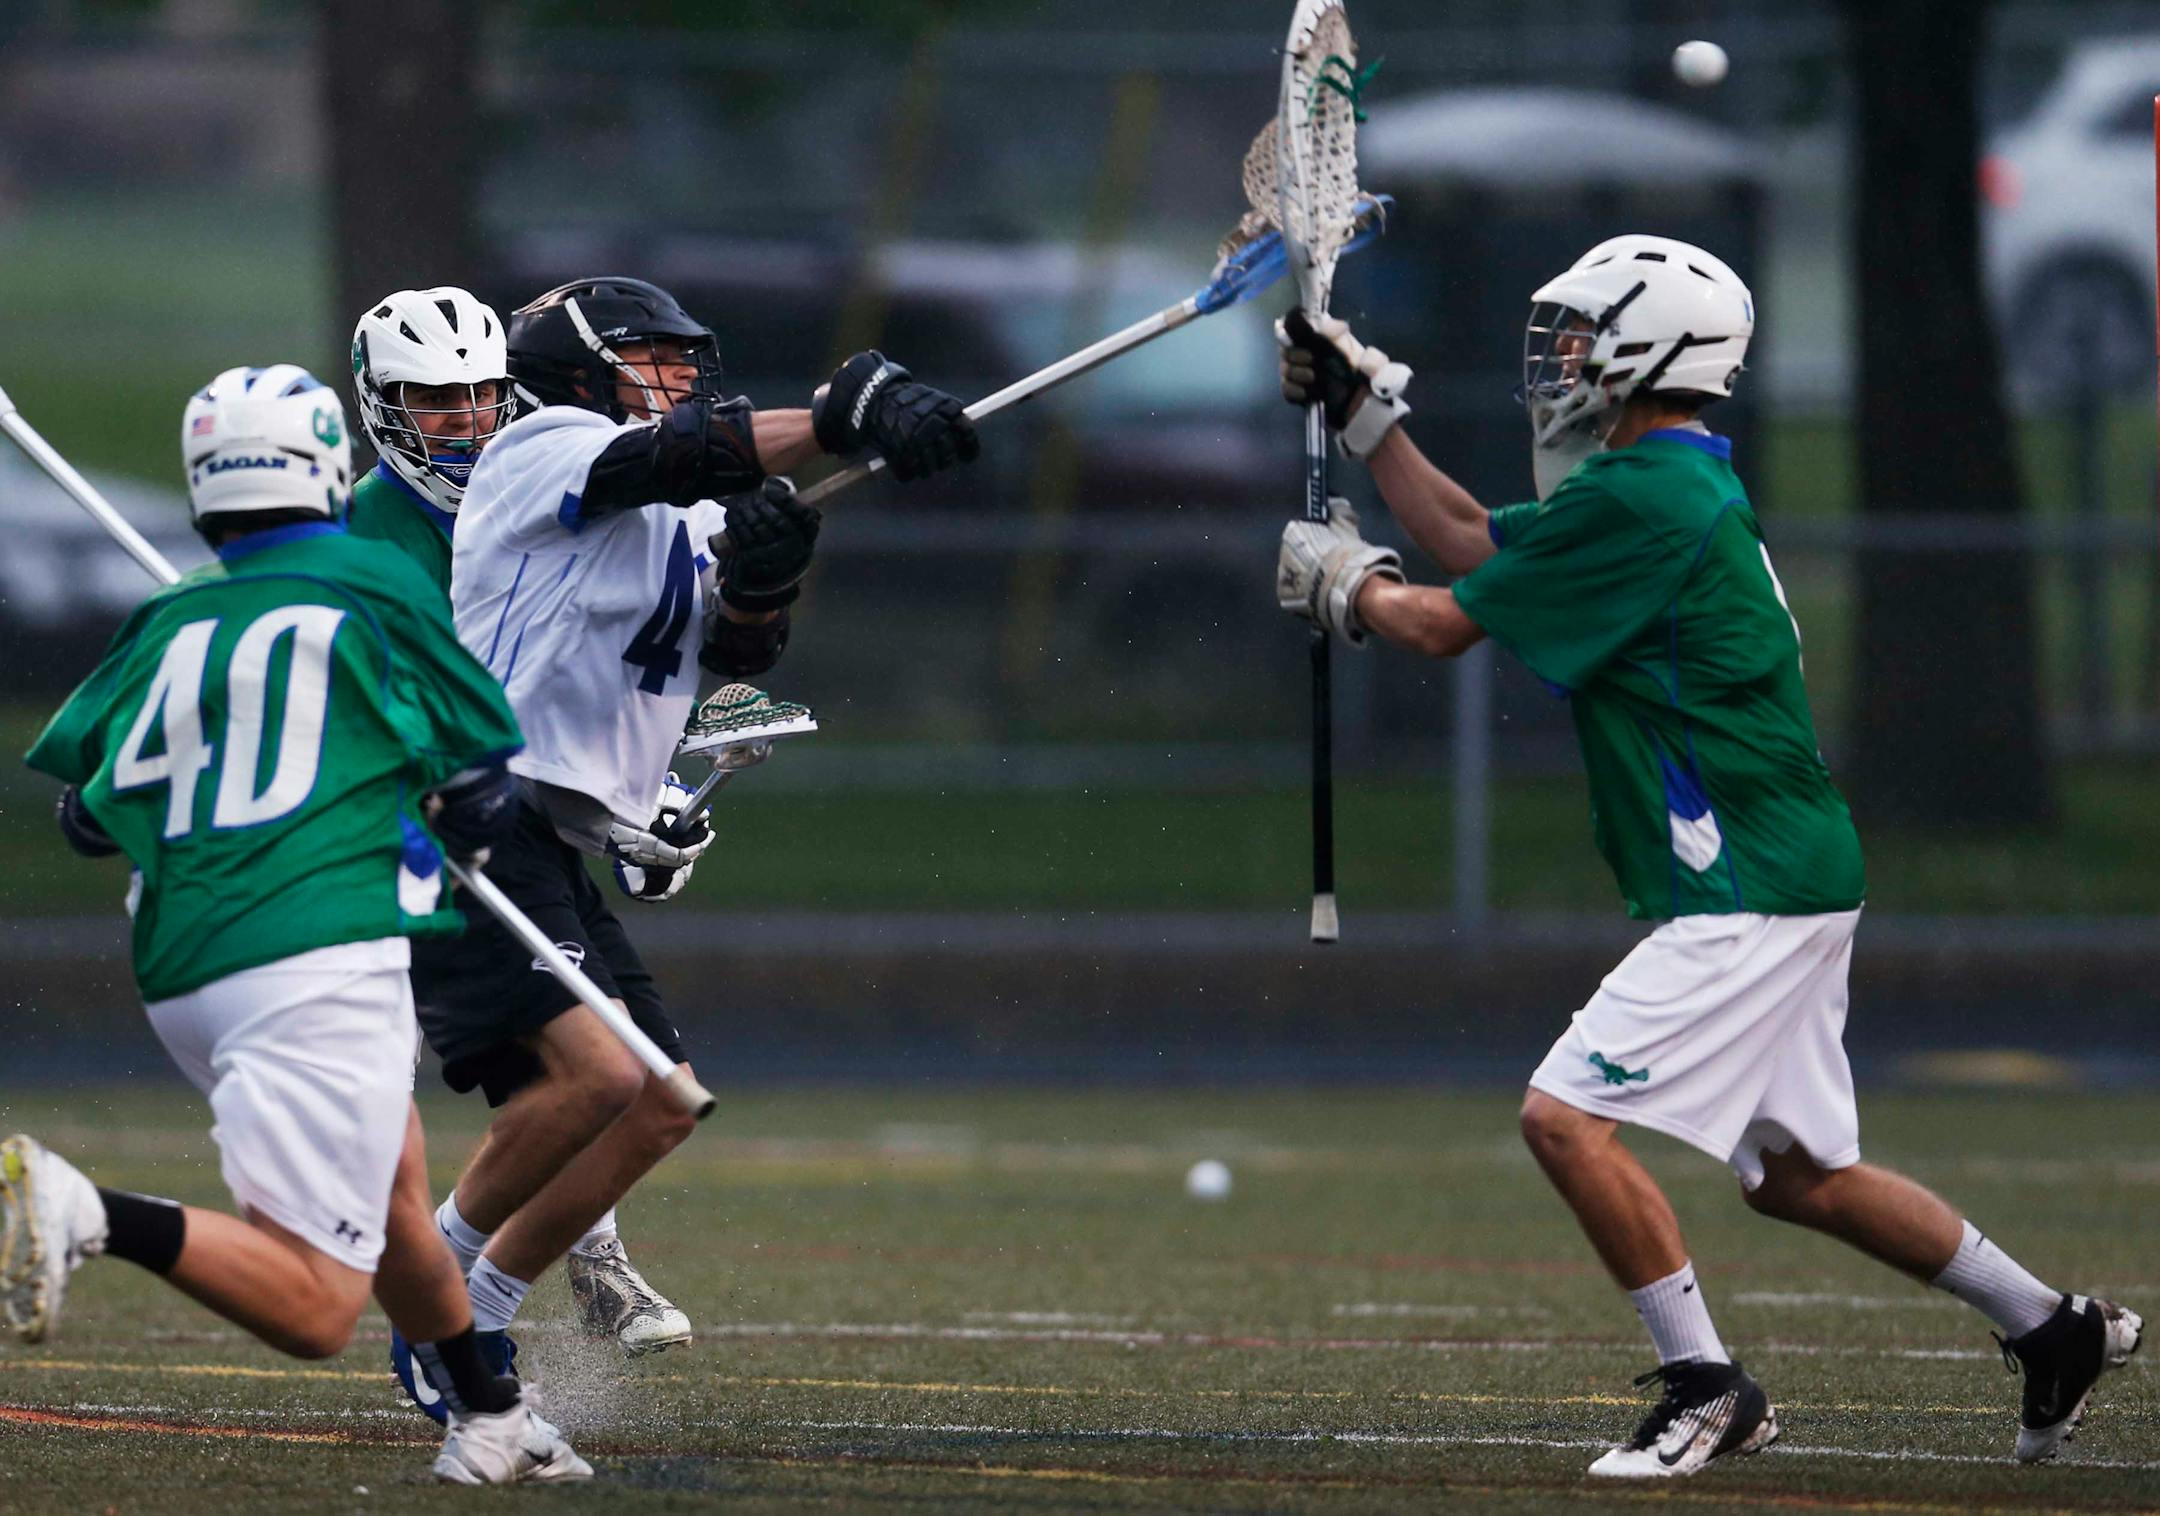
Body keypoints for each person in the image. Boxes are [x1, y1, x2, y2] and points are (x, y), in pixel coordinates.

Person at [1270, 235, 2143, 1478]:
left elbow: (1446, 621)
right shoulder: (1652, 484)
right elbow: (1473, 536)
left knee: (1564, 1120)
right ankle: (2053, 1328)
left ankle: (1706, 1385)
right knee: (1798, 1175)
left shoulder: (1645, 498)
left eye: (1585, 335)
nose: (1564, 358)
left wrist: (1347, 588)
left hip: (1750, 883)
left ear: (1650, 348)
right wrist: (1367, 417)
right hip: (1790, 869)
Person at [1, 364, 590, 1485]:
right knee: (318, 1303)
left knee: (395, 1195)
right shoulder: (372, 578)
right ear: (324, 467)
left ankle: (491, 1417)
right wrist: (425, 805)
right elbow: (481, 776)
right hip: (311, 953)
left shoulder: (169, 612)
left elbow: (83, 816)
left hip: (182, 964)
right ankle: (91, 1213)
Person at [403, 275, 978, 1398]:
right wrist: (843, 411)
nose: (677, 376)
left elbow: (738, 646)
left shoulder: (683, 498)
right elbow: (678, 453)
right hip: (469, 809)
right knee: (591, 1079)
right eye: (650, 356)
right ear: (578, 371)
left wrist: (764, 574)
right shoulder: (539, 447)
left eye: (681, 357)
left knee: (661, 1103)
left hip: (551, 832)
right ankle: (437, 1308)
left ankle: (484, 1307)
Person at [348, 286, 693, 1369]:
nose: (463, 419)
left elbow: (578, 682)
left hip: (513, 821)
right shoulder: (368, 533)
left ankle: (524, 1273)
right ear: (381, 406)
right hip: (406, 834)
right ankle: (499, 1279)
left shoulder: (547, 483)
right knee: (568, 1068)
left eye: (479, 394)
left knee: (642, 1083)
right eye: (433, 400)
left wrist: (635, 805)